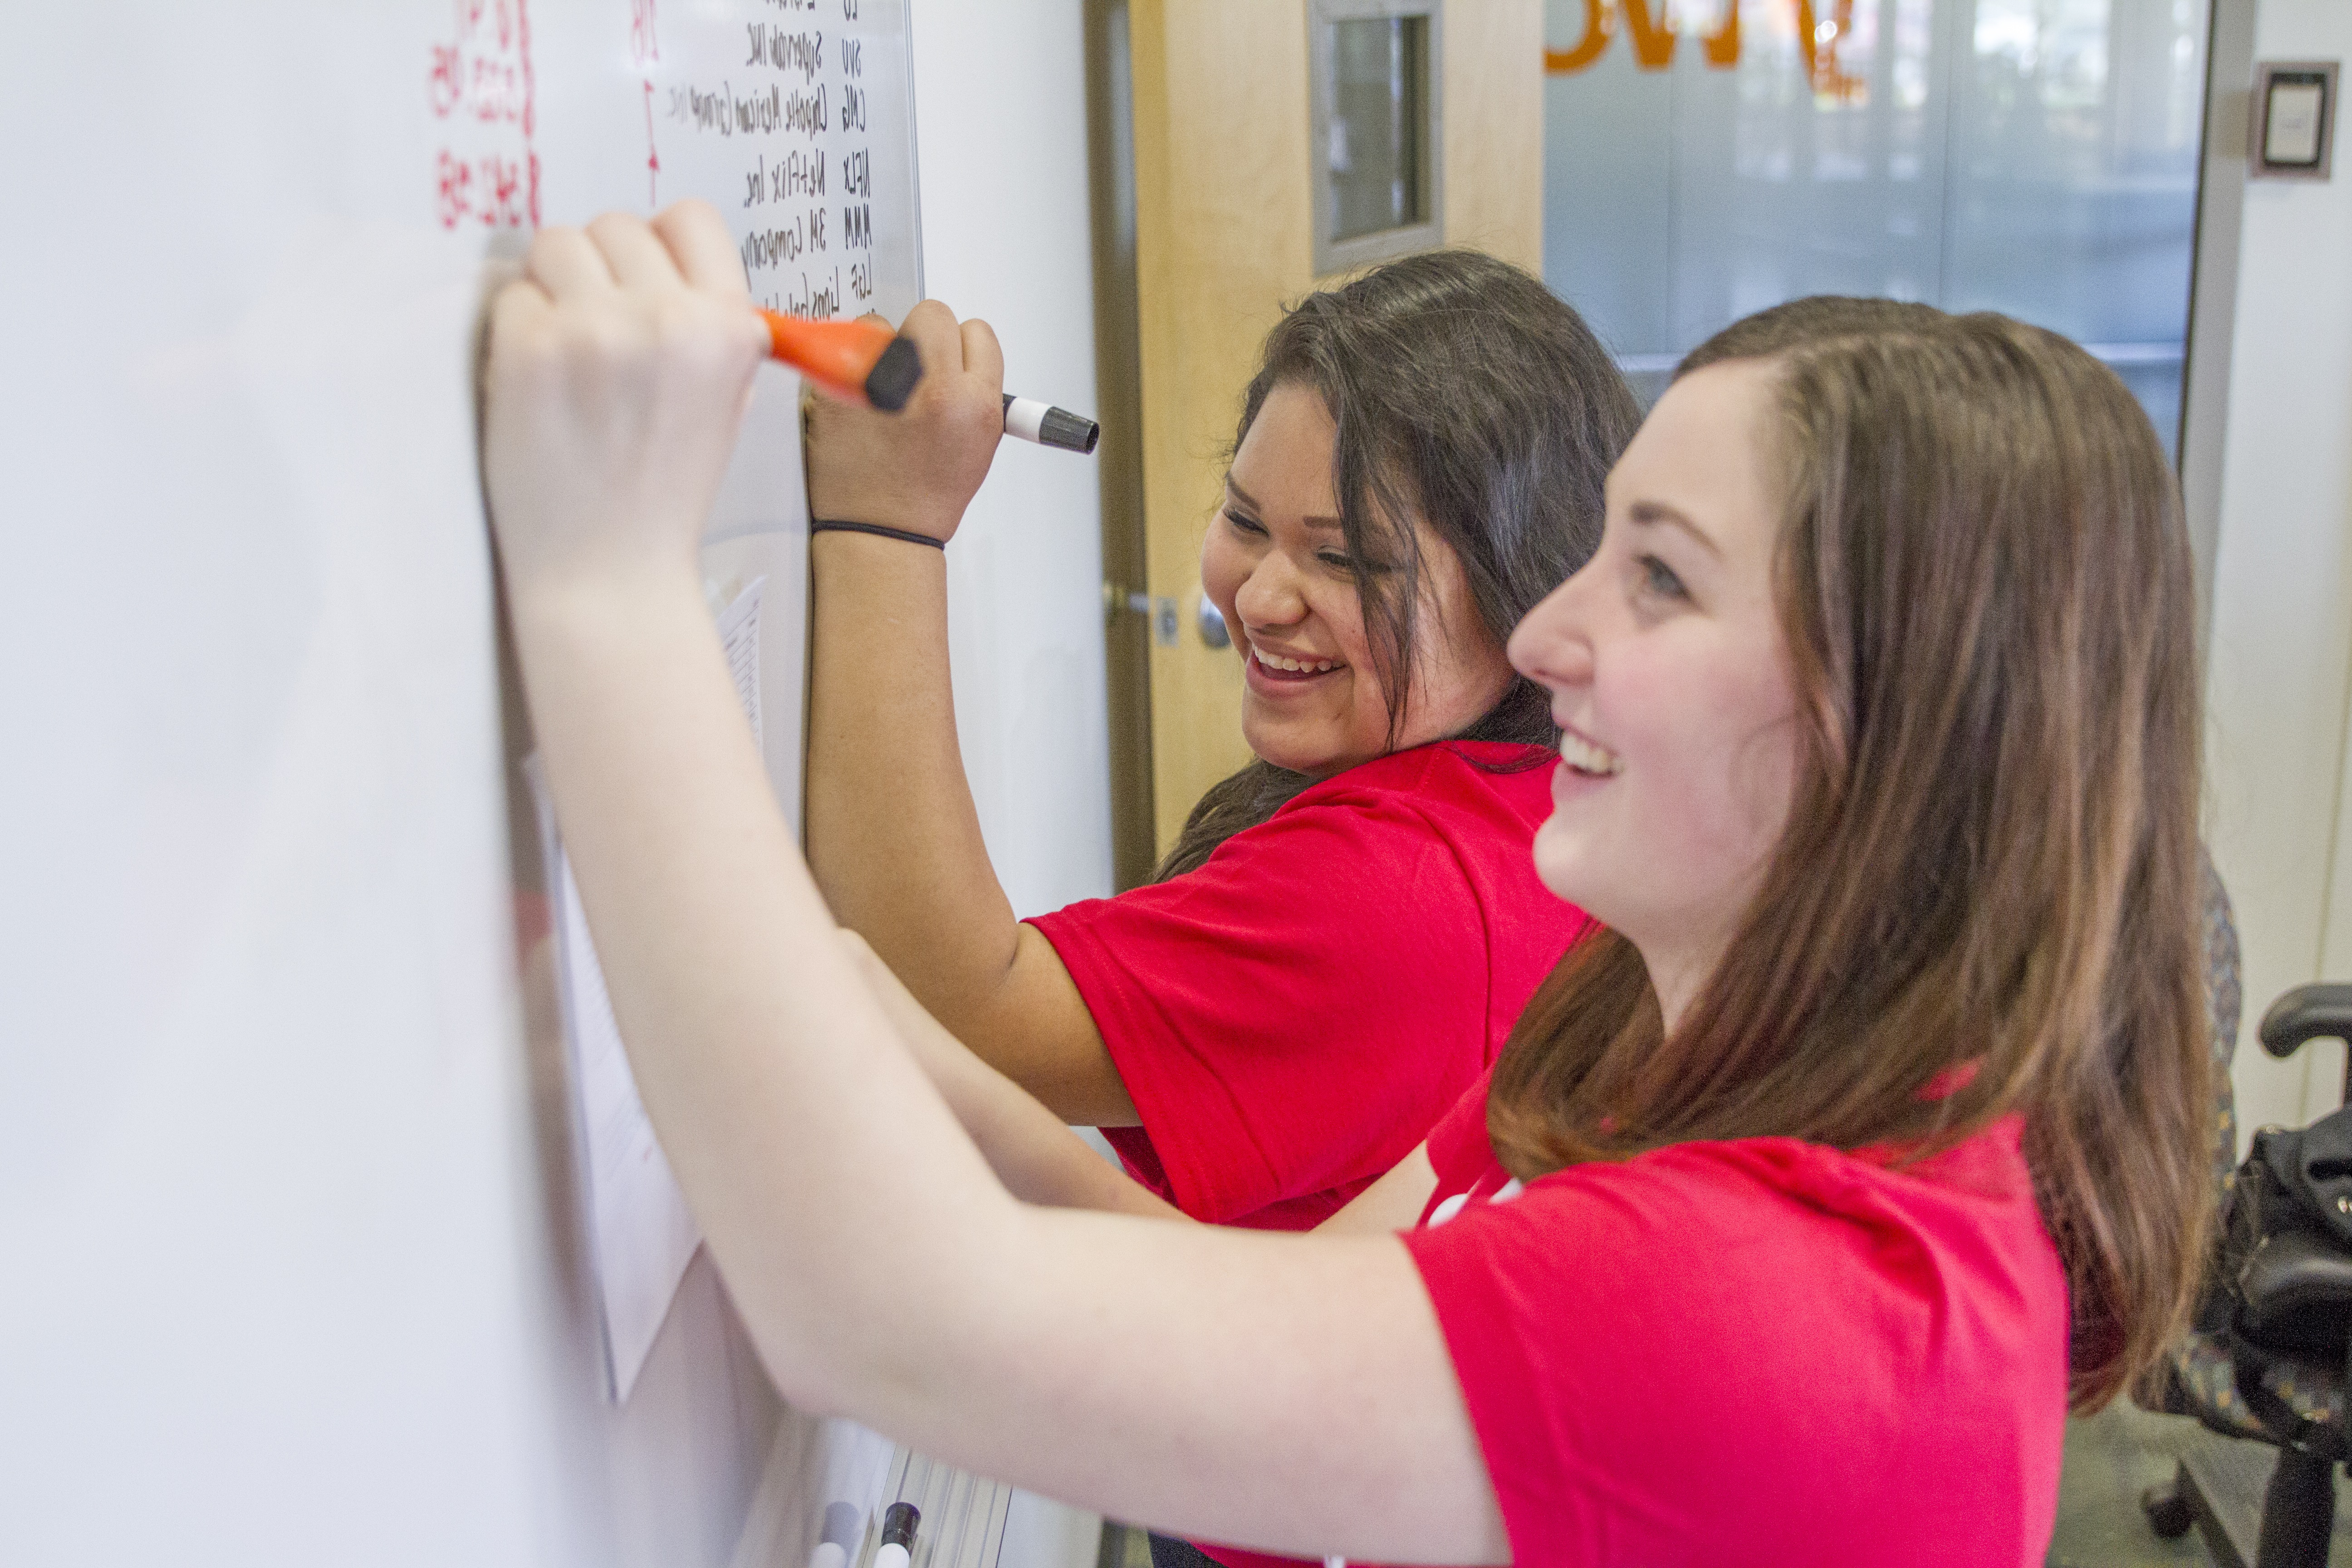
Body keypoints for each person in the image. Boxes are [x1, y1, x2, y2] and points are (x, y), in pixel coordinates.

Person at [484, 204, 2212, 1563]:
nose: (1548, 635)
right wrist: (850, 1005)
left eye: (1663, 583)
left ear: (1879, 725)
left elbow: (895, 1319)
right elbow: (1241, 1297)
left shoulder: (1773, 1306)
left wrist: (605, 581)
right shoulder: (1649, 1019)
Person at [799, 249, 1639, 1234]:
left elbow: (950, 1016)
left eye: (1347, 560)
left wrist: (887, 527)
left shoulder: (1402, 891)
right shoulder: (1561, 797)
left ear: (1525, 591)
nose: (1261, 597)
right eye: (1245, 520)